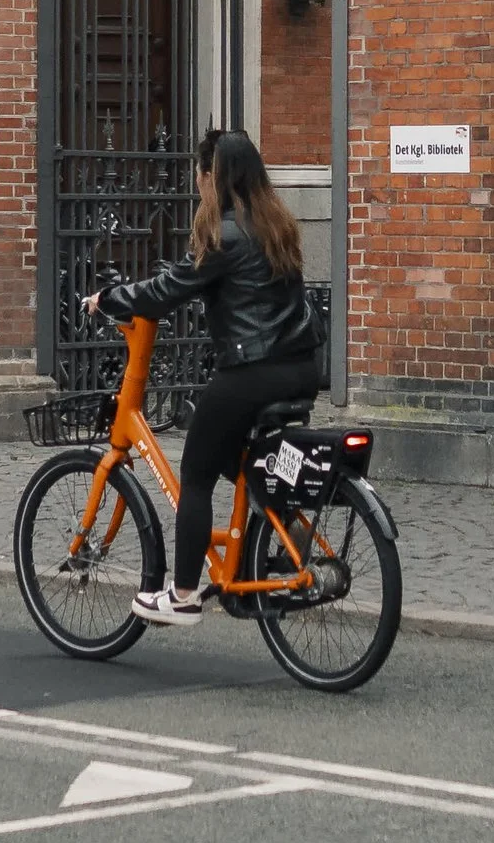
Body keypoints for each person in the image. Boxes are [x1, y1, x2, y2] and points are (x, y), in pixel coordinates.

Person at [89, 128, 322, 627]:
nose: (198, 186)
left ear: (213, 177)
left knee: (195, 472)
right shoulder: (276, 224)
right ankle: (286, 529)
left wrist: (108, 299)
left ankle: (185, 594)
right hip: (300, 368)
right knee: (240, 459)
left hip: (253, 371)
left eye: (201, 176)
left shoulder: (225, 235)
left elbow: (167, 290)